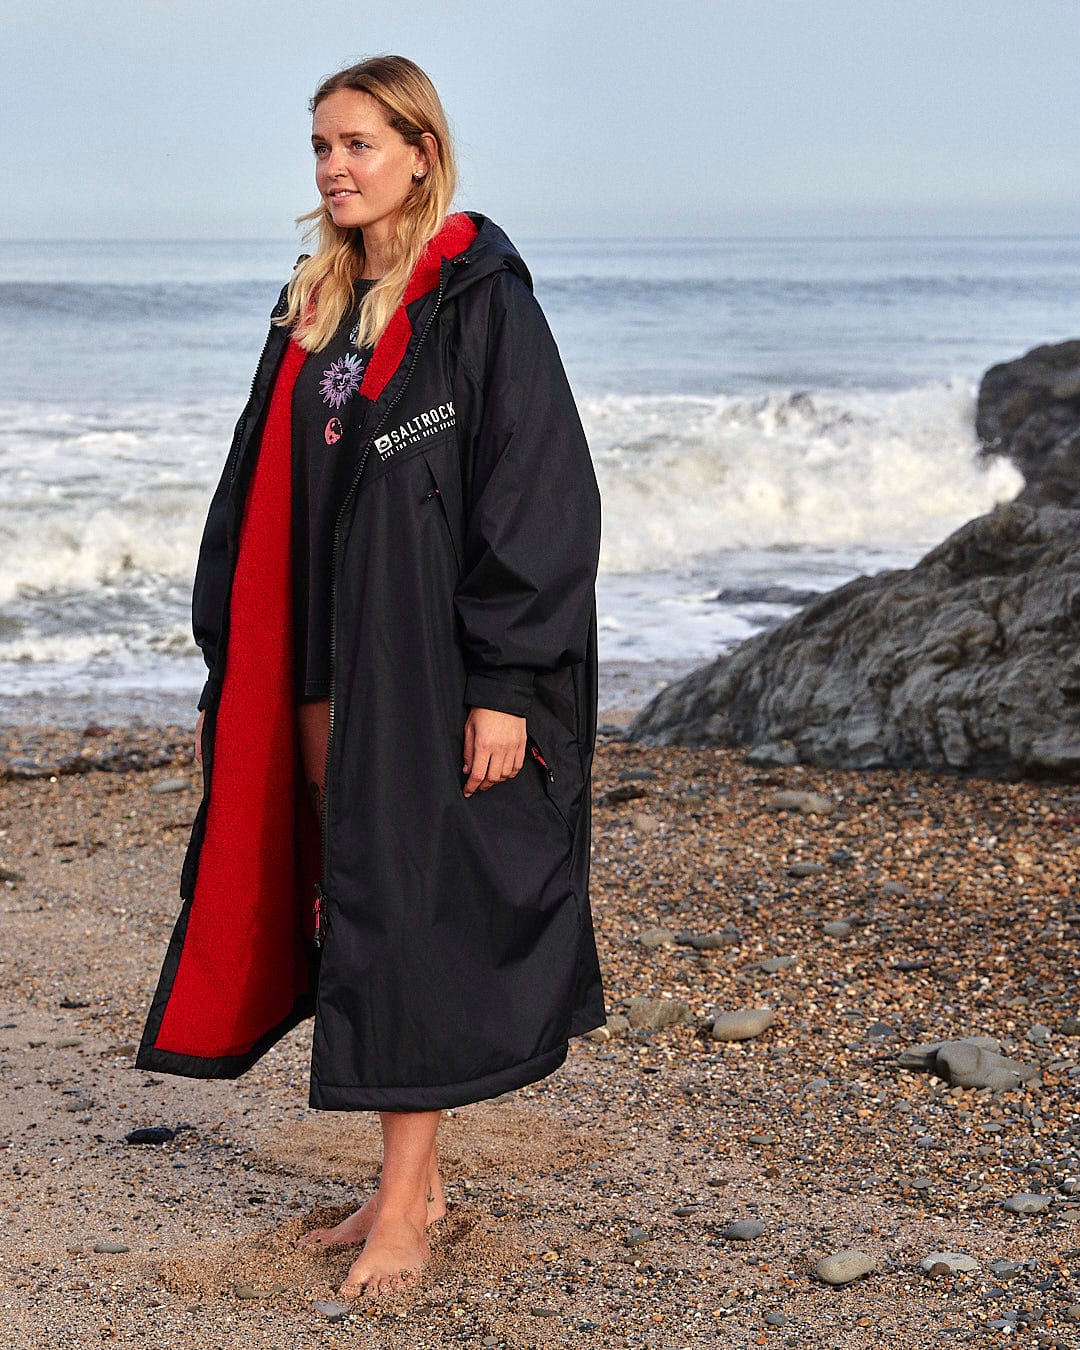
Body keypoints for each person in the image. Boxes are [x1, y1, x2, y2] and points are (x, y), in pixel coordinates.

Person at [136, 55, 606, 1298]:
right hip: (310, 666)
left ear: (417, 150)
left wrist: (507, 678)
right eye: (321, 149)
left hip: (431, 670)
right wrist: (222, 685)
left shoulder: (476, 299)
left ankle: (408, 1202)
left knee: (413, 917)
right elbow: (248, 504)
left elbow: (541, 490)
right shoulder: (312, 306)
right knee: (356, 900)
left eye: (358, 144)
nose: (336, 168)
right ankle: (416, 1182)